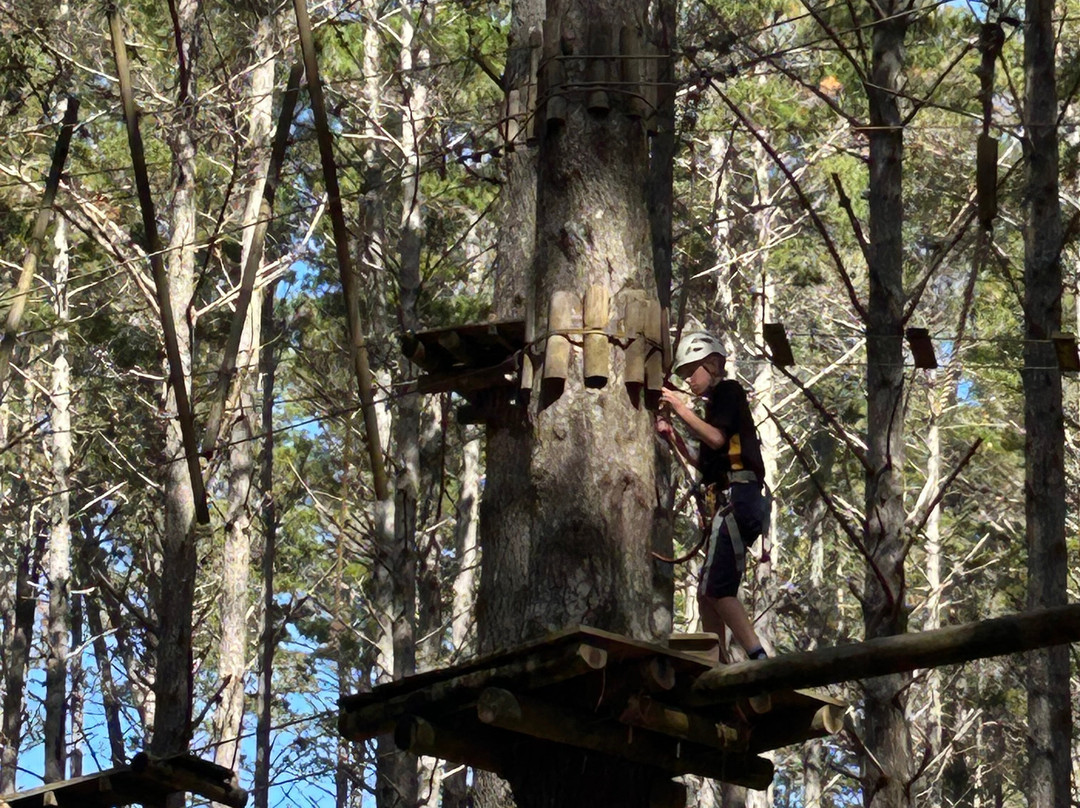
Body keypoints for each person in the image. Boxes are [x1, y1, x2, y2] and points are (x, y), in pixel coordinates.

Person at [656, 331, 770, 664]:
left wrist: (678, 407)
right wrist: (674, 437)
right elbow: (704, 460)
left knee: (717, 590)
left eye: (692, 371)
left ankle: (758, 658)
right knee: (707, 595)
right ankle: (716, 662)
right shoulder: (714, 408)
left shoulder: (728, 392)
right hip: (734, 499)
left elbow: (718, 439)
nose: (688, 380)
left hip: (739, 497)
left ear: (714, 364)